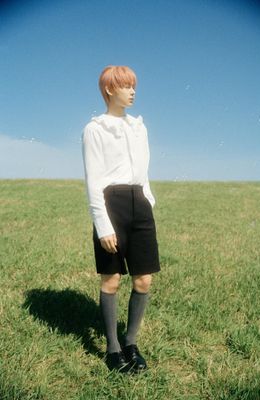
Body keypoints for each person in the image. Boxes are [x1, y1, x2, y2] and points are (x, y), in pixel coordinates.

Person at [81, 65, 161, 373]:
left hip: (139, 204)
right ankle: (113, 348)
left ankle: (130, 342)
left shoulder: (139, 127)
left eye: (133, 86)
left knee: (143, 279)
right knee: (111, 279)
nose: (132, 91)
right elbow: (93, 181)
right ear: (109, 90)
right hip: (110, 204)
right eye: (126, 86)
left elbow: (144, 170)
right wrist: (103, 225)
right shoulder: (95, 129)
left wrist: (148, 200)